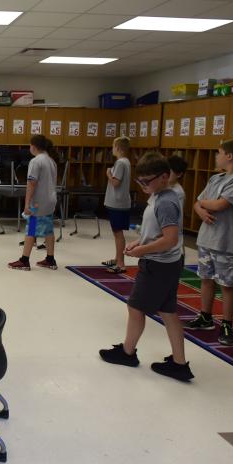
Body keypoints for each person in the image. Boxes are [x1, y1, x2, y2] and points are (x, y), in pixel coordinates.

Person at [99, 153, 193, 382]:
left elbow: (170, 239)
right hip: (164, 262)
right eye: (139, 182)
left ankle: (127, 352)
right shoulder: (159, 195)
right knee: (168, 312)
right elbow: (157, 232)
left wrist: (142, 251)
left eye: (146, 181)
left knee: (135, 307)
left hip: (159, 265)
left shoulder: (166, 201)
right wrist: (140, 242)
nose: (142, 186)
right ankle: (179, 364)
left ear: (164, 176)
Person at [184, 139, 233, 345]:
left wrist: (203, 205)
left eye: (219, 153)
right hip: (208, 238)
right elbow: (198, 203)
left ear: (229, 156)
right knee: (206, 278)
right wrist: (201, 209)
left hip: (228, 242)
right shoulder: (216, 178)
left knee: (227, 284)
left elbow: (220, 204)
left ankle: (227, 324)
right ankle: (205, 316)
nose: (217, 156)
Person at [9, 134, 59, 271]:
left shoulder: (36, 161)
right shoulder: (51, 161)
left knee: (31, 229)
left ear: (34, 146)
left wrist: (27, 204)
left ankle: (24, 260)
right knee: (48, 229)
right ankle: (50, 259)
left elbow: (32, 183)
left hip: (38, 202)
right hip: (50, 200)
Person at [102, 137, 132, 274]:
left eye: (113, 146)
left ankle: (121, 264)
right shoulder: (124, 162)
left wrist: (108, 174)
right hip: (117, 202)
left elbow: (115, 182)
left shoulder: (120, 163)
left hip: (118, 203)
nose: (112, 149)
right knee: (116, 232)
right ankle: (117, 258)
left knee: (118, 233)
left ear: (118, 148)